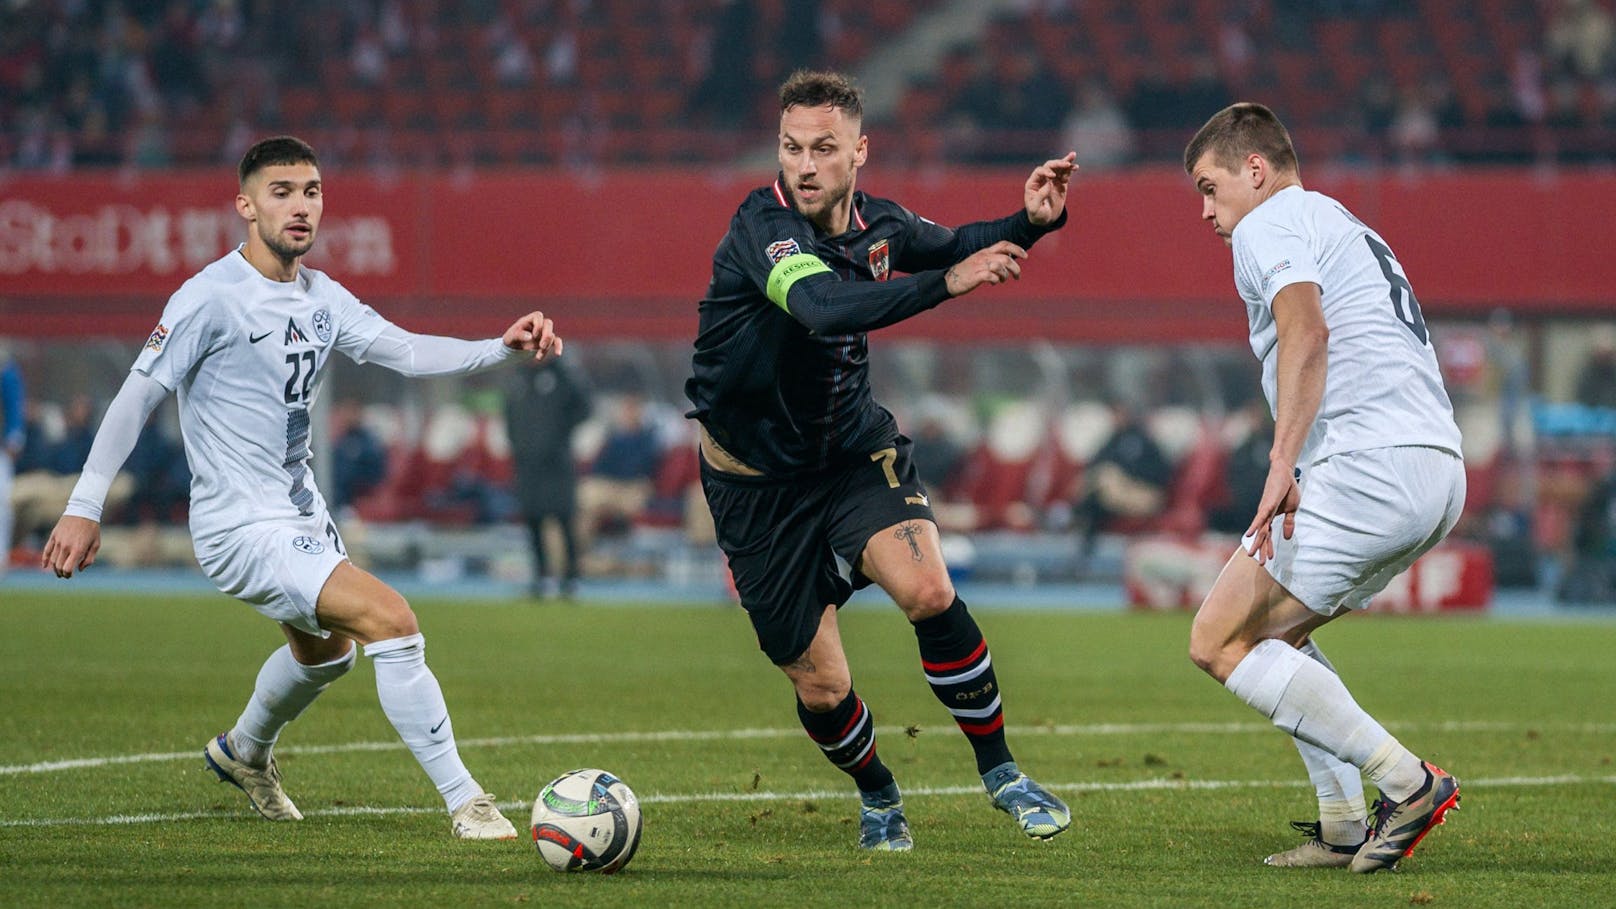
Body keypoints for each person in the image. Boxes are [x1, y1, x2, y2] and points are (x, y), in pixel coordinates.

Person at [40, 136, 563, 841]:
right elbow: (137, 396)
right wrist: (84, 504)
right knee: (393, 619)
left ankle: (243, 751)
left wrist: (499, 348)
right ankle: (467, 801)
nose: (300, 205)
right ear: (245, 205)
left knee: (329, 653)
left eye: (311, 191)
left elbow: (403, 349)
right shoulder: (209, 298)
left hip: (299, 514)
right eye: (281, 191)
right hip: (239, 524)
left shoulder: (321, 295)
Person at [684, 69, 1077, 852]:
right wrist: (948, 286)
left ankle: (1002, 772)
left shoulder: (881, 224)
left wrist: (1030, 222)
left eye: (823, 148)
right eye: (792, 147)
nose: (804, 164)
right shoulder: (761, 228)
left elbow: (954, 243)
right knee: (822, 683)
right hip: (755, 487)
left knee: (930, 586)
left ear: (859, 151)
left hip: (850, 451)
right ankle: (879, 791)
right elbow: (822, 306)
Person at [1183, 103, 1466, 874]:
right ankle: (1343, 822)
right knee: (1277, 634)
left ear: (1255, 169)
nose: (1207, 212)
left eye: (1210, 188)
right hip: (1434, 468)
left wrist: (1282, 462)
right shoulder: (1340, 221)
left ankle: (1409, 783)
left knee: (1218, 638)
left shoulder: (1266, 224)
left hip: (1366, 466)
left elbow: (1307, 330)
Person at [503, 356, 592, 599]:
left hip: (557, 462)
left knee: (564, 518)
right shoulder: (519, 377)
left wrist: (559, 436)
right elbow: (509, 413)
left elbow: (584, 406)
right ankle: (540, 577)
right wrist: (517, 445)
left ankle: (571, 578)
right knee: (533, 521)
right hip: (527, 463)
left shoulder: (563, 374)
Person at [0, 347, 23, 575]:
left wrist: (14, 436)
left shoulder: (4, 366)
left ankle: (1, 555)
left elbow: (14, 403)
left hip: (1, 448)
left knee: (2, 502)